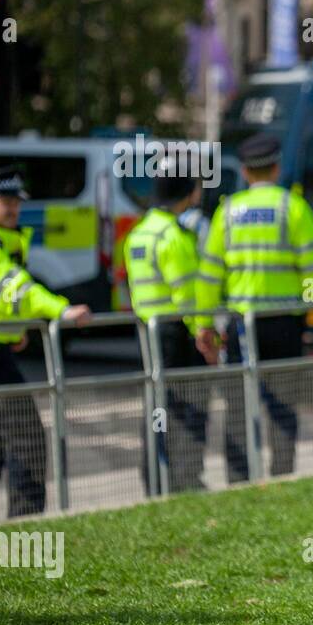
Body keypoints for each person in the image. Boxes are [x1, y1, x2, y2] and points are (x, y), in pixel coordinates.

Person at [196, 132, 313, 480]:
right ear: (276, 168)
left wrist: (203, 324)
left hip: (241, 324)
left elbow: (210, 275)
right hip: (285, 322)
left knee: (240, 404)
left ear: (244, 171)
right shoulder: (293, 208)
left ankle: (240, 477)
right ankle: (282, 473)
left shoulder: (226, 212)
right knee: (283, 404)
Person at [0, 166, 91, 523]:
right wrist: (61, 311)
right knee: (27, 438)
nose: (15, 208)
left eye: (18, 201)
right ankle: (25, 521)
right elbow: (14, 291)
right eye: (7, 201)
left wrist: (12, 332)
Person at [124, 161, 215, 493]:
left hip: (148, 332)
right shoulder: (173, 237)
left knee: (157, 409)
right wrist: (204, 333)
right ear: (188, 194)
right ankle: (185, 479)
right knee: (188, 407)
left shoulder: (139, 232)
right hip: (176, 335)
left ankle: (154, 480)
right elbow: (188, 297)